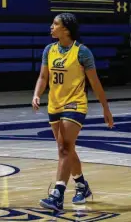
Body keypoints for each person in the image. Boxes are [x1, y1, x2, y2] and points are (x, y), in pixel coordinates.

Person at [32, 12, 114, 211]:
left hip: (75, 104)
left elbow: (95, 82)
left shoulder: (82, 52)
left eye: (55, 24)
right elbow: (43, 77)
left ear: (66, 29)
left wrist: (106, 108)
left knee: (64, 148)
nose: (51, 27)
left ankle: (57, 194)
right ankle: (81, 185)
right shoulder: (48, 50)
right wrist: (36, 95)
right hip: (55, 104)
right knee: (66, 149)